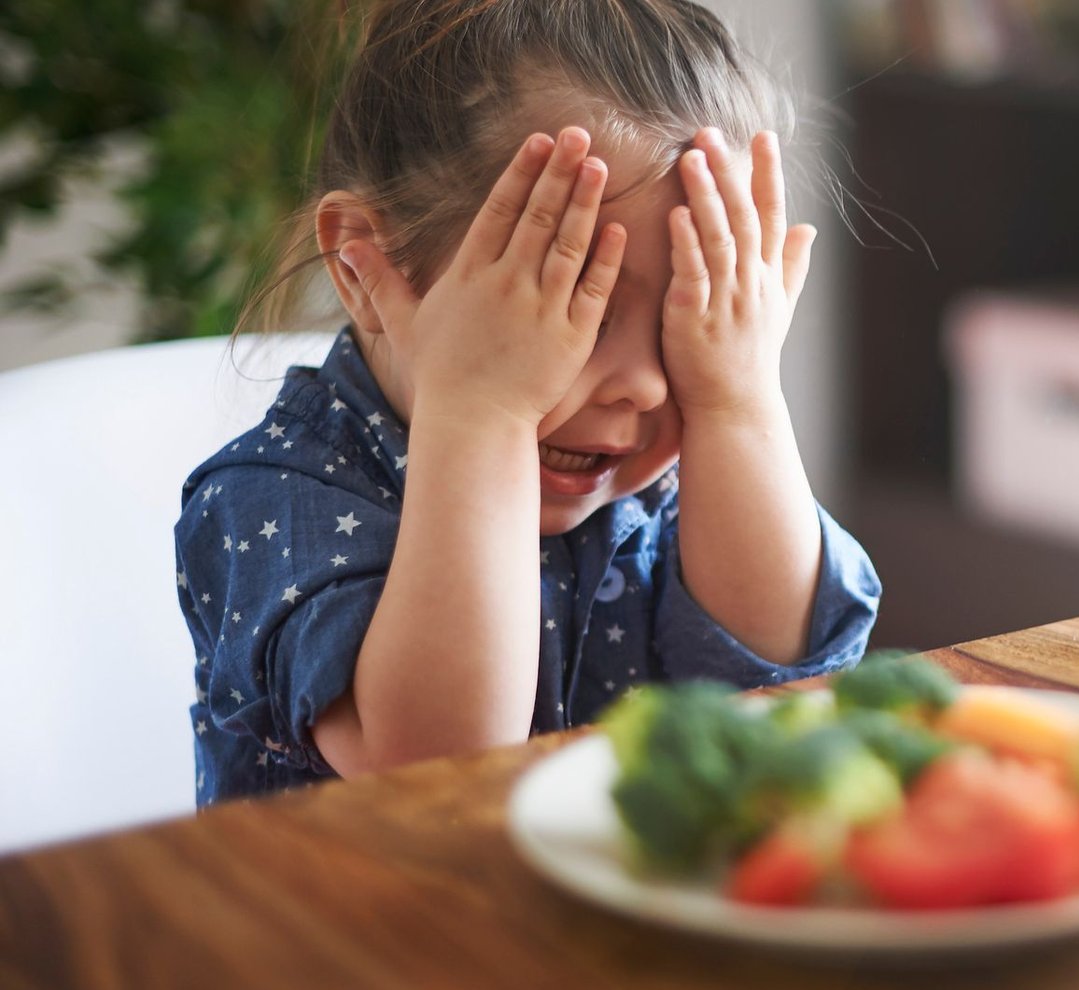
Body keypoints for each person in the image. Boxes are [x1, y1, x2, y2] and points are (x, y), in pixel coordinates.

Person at [173, 0, 879, 805]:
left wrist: (736, 399)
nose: (644, 385)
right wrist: (481, 416)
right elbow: (440, 765)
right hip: (352, 927)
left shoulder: (680, 467)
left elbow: (787, 669)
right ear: (365, 271)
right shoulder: (270, 498)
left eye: (690, 324)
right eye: (570, 315)